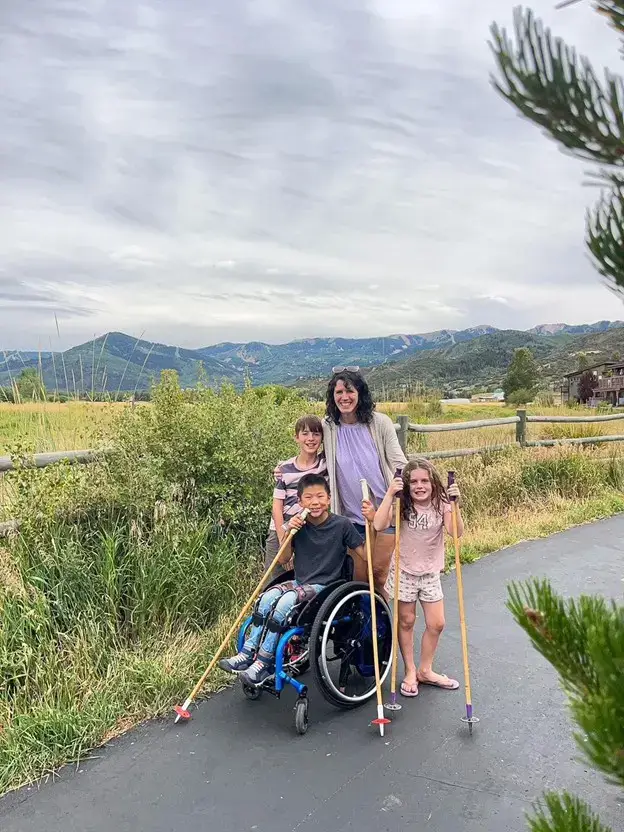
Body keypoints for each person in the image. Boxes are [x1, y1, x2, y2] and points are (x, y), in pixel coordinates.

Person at [220, 473, 375, 686]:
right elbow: (283, 559)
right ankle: (248, 652)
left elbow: (366, 554)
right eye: (308, 498)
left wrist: (371, 523)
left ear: (329, 499)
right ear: (300, 502)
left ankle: (263, 661)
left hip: (326, 587)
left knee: (285, 602)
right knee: (267, 597)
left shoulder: (342, 525)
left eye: (320, 496)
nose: (315, 502)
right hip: (300, 582)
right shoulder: (298, 525)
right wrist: (289, 533)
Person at [373, 458, 463, 697]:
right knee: (407, 621)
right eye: (413, 482)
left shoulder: (441, 503)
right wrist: (390, 494)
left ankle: (426, 670)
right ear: (407, 484)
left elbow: (455, 532)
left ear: (433, 483)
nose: (419, 486)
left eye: (424, 481)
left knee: (437, 623)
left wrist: (455, 505)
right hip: (404, 570)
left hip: (430, 572)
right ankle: (410, 670)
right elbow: (379, 524)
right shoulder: (401, 502)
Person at [322, 367, 407, 591]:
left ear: (360, 393)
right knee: (359, 579)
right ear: (332, 396)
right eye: (339, 392)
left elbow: (399, 462)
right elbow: (311, 452)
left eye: (350, 391)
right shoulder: (329, 427)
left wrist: (422, 485)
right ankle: (364, 615)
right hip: (351, 518)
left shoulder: (380, 423)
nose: (344, 397)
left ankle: (383, 614)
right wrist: (285, 469)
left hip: (385, 513)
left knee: (379, 575)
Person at [265, 415, 326, 580]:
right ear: (296, 437)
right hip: (282, 528)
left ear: (322, 438)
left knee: (306, 580)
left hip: (309, 529)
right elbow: (277, 507)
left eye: (316, 434)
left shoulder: (325, 465)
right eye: (305, 434)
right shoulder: (285, 468)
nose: (310, 439)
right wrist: (283, 541)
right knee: (274, 580)